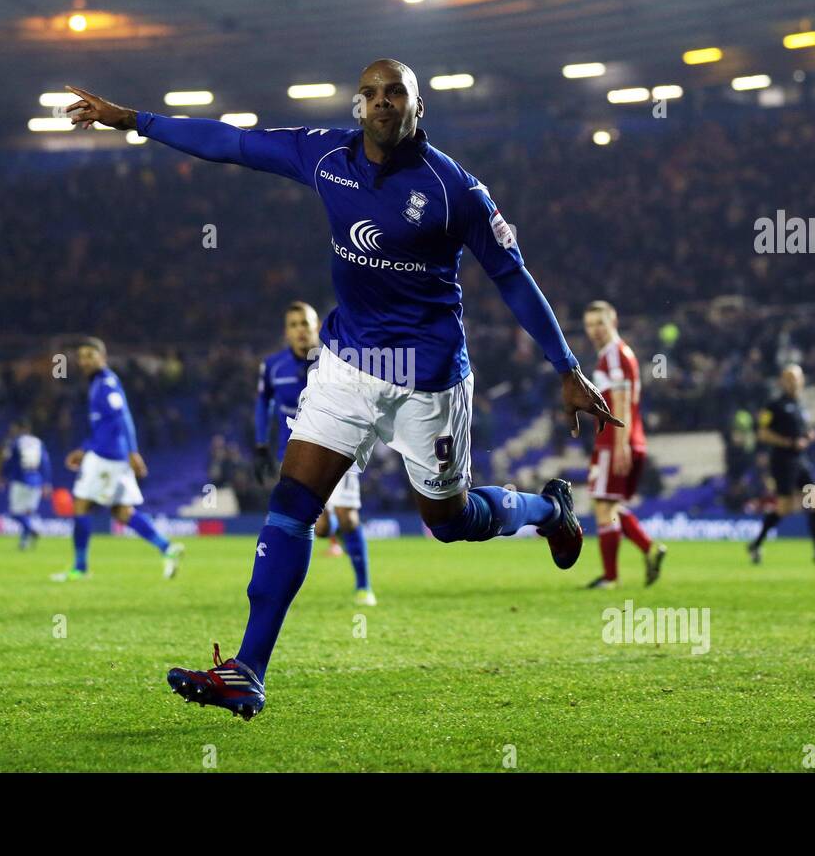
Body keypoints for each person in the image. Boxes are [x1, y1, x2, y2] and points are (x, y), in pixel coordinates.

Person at [66, 58, 619, 719]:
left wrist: (566, 366)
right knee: (292, 501)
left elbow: (512, 277)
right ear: (359, 106)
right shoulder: (325, 156)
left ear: (417, 107)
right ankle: (248, 669)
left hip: (427, 380)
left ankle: (547, 511)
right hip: (347, 365)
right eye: (371, 93)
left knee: (450, 522)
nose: (382, 102)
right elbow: (232, 142)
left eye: (396, 93)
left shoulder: (456, 191)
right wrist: (134, 120)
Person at [254, 301, 376, 605]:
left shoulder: (336, 361)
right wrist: (261, 445)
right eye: (293, 325)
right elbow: (262, 404)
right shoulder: (273, 366)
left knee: (348, 517)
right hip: (295, 454)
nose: (300, 330)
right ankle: (329, 528)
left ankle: (364, 587)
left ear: (317, 327)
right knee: (318, 527)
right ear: (286, 332)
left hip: (337, 445)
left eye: (305, 324)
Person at [52, 337, 185, 582]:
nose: (85, 361)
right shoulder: (97, 383)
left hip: (106, 456)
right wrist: (85, 449)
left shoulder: (106, 383)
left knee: (81, 505)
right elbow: (103, 425)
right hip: (109, 453)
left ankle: (80, 568)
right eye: (81, 357)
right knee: (122, 512)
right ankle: (167, 547)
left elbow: (122, 417)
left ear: (103, 357)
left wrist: (133, 453)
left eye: (90, 355)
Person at [581, 301, 667, 588]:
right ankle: (649, 549)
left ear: (613, 322)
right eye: (589, 324)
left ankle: (610, 578)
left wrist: (620, 445)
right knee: (610, 505)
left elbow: (621, 401)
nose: (594, 330)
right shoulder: (615, 354)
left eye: (600, 323)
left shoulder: (614, 355)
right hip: (622, 439)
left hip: (615, 440)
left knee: (603, 507)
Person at [747, 364, 815, 565]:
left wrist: (808, 436)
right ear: (782, 382)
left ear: (802, 381)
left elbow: (801, 431)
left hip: (800, 460)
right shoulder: (774, 406)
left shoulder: (800, 405)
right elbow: (763, 433)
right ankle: (757, 543)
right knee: (785, 507)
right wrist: (789, 442)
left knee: (814, 500)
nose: (793, 382)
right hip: (782, 461)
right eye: (789, 378)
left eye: (796, 378)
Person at [0, 418, 52, 550]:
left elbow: (9, 462)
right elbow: (45, 463)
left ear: (20, 429)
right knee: (27, 513)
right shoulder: (38, 442)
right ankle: (24, 542)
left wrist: (3, 476)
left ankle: (31, 529)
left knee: (15, 513)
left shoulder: (15, 442)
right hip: (36, 481)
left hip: (20, 481)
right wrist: (46, 482)